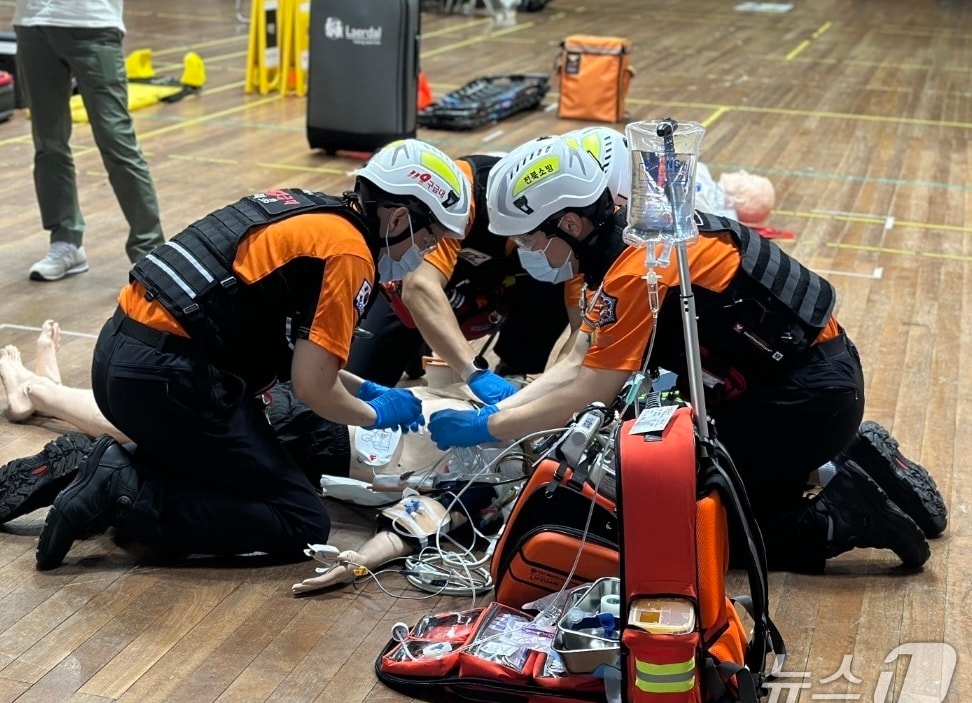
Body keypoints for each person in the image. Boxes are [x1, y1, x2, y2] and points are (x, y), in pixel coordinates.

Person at [427, 134, 947, 574]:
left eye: (533, 237)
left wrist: (490, 430)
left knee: (709, 539)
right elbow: (578, 357)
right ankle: (844, 460)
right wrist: (504, 407)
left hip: (803, 403)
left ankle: (848, 509)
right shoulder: (643, 234)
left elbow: (592, 388)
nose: (528, 251)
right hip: (808, 382)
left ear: (571, 222)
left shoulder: (638, 269)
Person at [29, 138, 474, 571]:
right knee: (301, 519)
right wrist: (373, 415)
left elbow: (303, 358)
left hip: (119, 357)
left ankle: (112, 473)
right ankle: (123, 491)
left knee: (237, 462)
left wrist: (370, 389)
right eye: (429, 236)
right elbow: (313, 389)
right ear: (398, 219)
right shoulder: (350, 255)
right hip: (165, 381)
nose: (427, 253)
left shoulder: (311, 211)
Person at [345, 149, 584, 401]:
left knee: (556, 281)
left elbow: (584, 331)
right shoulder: (461, 190)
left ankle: (514, 368)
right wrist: (475, 372)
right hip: (433, 286)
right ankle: (418, 342)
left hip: (499, 290)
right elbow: (419, 287)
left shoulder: (578, 226)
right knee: (357, 388)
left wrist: (544, 397)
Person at [14, 0, 166, 280]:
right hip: (33, 21)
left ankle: (150, 253)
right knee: (48, 144)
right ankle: (66, 241)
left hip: (93, 22)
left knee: (117, 141)